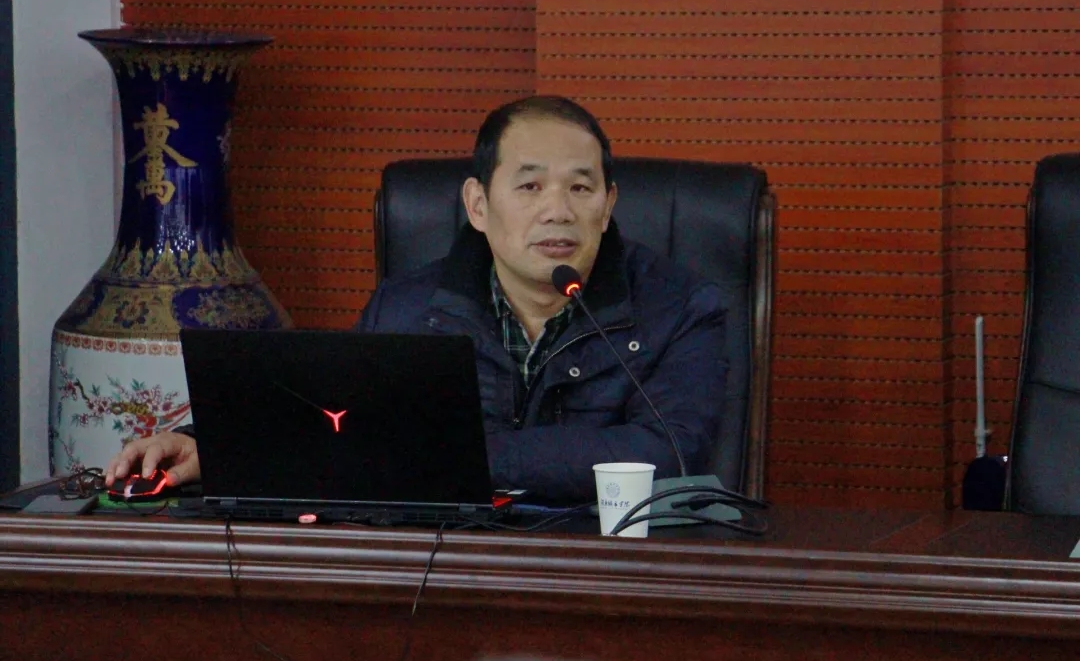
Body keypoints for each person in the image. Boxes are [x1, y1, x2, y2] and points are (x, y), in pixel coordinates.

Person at [105, 95, 729, 504]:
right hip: (443, 572)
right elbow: (333, 420)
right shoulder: (408, 309)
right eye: (530, 186)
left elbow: (667, 454)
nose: (558, 211)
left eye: (581, 188)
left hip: (607, 573)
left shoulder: (680, 309)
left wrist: (457, 452)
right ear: (477, 205)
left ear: (608, 205)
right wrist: (211, 444)